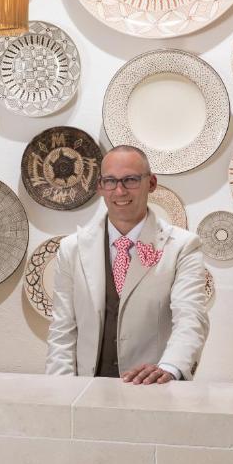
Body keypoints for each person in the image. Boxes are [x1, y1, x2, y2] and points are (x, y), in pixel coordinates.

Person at [46, 145, 209, 383]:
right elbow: (62, 330)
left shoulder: (183, 247)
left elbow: (191, 317)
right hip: (85, 392)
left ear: (151, 183)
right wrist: (61, 392)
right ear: (100, 186)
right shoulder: (72, 248)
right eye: (110, 181)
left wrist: (170, 368)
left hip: (153, 391)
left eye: (130, 180)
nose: (119, 191)